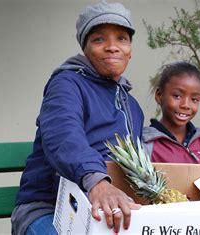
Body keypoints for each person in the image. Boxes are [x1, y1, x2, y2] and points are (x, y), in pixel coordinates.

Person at [11, 1, 144, 234]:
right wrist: (97, 183)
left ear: (130, 51)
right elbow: (64, 136)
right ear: (85, 49)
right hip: (50, 209)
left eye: (121, 38)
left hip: (104, 213)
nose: (112, 47)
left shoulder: (132, 107)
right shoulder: (67, 85)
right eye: (99, 39)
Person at [142, 61, 200, 164]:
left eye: (194, 99)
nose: (185, 105)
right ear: (159, 95)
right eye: (177, 96)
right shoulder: (146, 143)